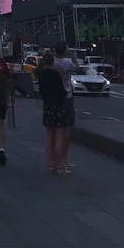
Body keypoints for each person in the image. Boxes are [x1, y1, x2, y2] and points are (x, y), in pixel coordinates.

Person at [36, 51, 68, 174]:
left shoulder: (42, 75)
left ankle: (50, 163)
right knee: (59, 135)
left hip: (47, 106)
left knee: (49, 135)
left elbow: (41, 91)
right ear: (53, 62)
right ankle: (60, 164)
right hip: (58, 106)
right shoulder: (55, 74)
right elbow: (62, 91)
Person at [52, 41, 80, 172]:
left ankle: (55, 162)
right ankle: (63, 161)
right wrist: (72, 55)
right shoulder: (67, 63)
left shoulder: (51, 62)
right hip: (66, 97)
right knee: (66, 130)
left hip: (53, 98)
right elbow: (77, 67)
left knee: (54, 131)